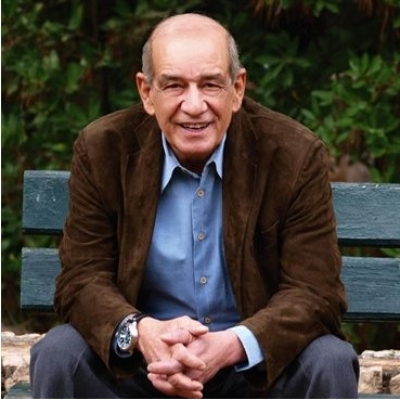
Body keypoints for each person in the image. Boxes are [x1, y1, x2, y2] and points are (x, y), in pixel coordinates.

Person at [30, 12, 359, 399]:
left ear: (237, 89)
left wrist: (231, 345)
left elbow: (315, 292)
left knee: (330, 360)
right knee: (59, 353)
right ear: (146, 92)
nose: (194, 105)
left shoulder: (294, 154)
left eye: (210, 84)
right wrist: (142, 332)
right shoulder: (103, 149)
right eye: (174, 86)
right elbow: (81, 279)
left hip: (253, 371)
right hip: (144, 367)